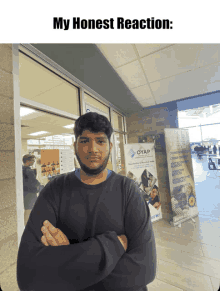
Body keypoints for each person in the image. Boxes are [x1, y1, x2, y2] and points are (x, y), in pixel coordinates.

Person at [17, 112, 156, 291]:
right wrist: (114, 245)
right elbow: (28, 275)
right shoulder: (54, 189)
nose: (93, 149)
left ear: (110, 146)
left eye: (100, 141)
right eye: (84, 141)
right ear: (74, 146)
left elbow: (144, 270)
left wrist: (68, 262)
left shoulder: (128, 190)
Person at [22, 154, 41, 225]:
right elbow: (34, 182)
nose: (33, 162)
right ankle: (27, 225)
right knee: (29, 210)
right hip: (30, 193)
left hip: (26, 192)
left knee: (28, 209)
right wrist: (40, 184)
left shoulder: (22, 169)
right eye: (32, 161)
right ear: (28, 161)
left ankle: (27, 225)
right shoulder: (28, 171)